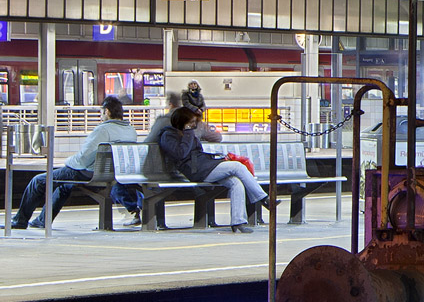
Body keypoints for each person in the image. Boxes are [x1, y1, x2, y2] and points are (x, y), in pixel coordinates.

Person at [11, 95, 141, 229]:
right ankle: (43, 220)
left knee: (38, 181)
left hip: (90, 173)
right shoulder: (130, 130)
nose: (102, 116)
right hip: (113, 174)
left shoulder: (103, 129)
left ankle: (20, 221)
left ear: (107, 111)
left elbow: (83, 159)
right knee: (64, 186)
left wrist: (68, 161)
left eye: (102, 112)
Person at [158, 105, 268, 232]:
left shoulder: (187, 133)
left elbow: (199, 149)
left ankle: (238, 222)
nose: (194, 125)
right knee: (237, 166)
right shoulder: (168, 135)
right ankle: (263, 199)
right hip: (195, 171)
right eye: (191, 122)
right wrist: (188, 133)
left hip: (204, 167)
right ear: (182, 122)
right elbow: (180, 154)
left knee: (236, 183)